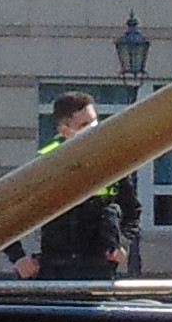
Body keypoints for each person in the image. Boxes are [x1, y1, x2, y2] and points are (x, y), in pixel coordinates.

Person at [18, 90, 141, 282]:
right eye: (84, 125)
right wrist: (18, 258)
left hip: (99, 274)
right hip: (56, 274)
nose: (93, 130)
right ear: (64, 129)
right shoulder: (45, 164)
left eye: (94, 122)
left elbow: (132, 211)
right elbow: (8, 214)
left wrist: (122, 244)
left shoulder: (110, 161)